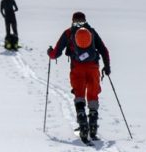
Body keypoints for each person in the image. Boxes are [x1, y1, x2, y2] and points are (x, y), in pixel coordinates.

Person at [47, 11, 110, 142]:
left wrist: (50, 53)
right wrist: (107, 66)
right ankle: (93, 125)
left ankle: (82, 124)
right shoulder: (91, 32)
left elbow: (55, 54)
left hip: (77, 69)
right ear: (85, 20)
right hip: (93, 68)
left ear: (73, 20)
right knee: (93, 95)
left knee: (79, 95)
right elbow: (104, 50)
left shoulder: (68, 33)